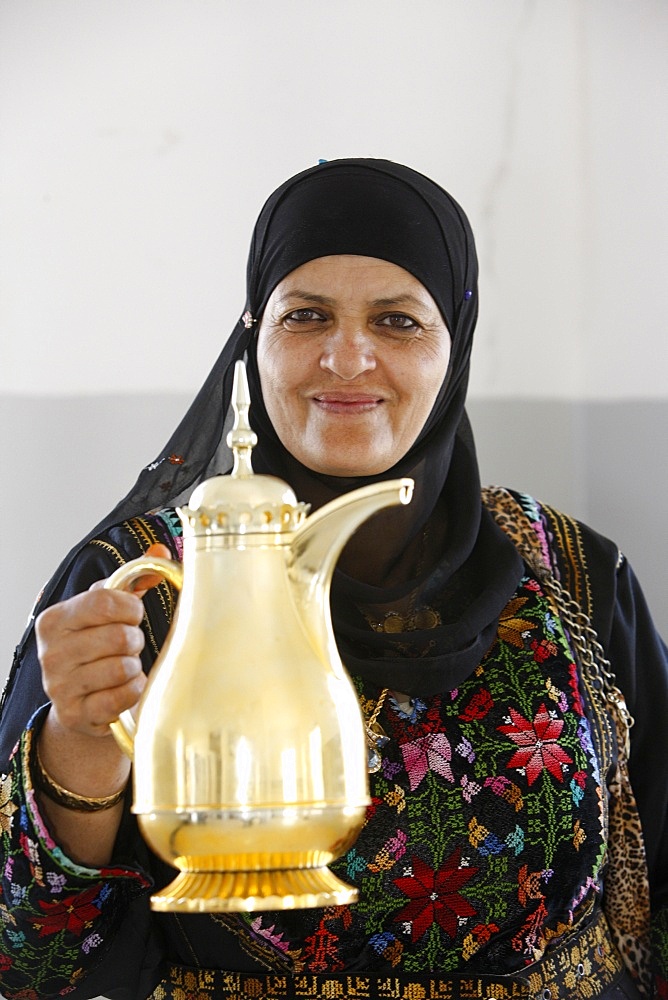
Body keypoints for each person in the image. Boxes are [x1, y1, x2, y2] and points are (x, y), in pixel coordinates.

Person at [0, 158, 666, 1000]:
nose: (347, 358)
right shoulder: (137, 590)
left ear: (454, 345)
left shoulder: (572, 574)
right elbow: (30, 958)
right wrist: (83, 743)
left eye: (397, 322)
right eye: (306, 316)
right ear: (254, 338)